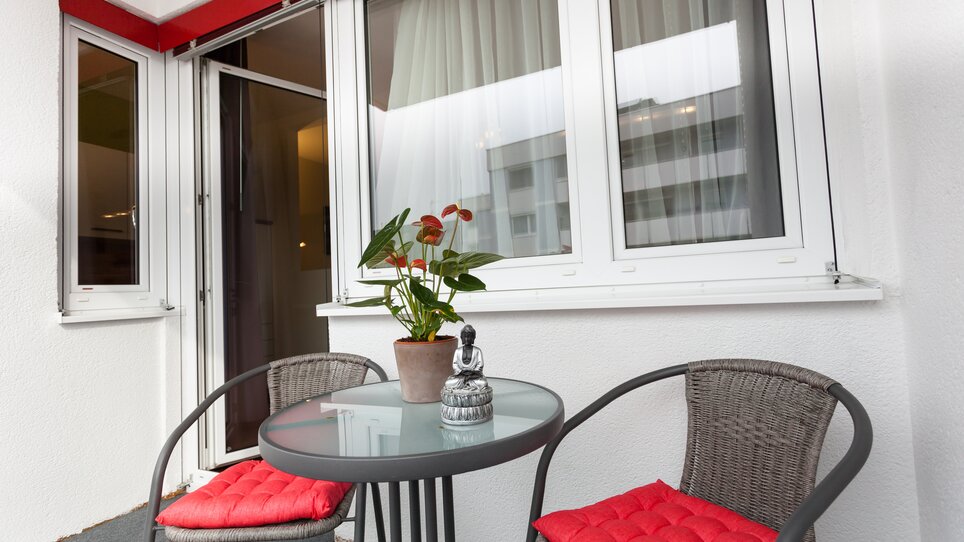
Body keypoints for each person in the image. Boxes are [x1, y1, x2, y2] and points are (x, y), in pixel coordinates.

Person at [444, 325, 489, 391]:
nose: (467, 339)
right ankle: (467, 385)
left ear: (473, 338)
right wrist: (461, 372)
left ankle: (466, 385)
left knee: (483, 383)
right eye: (465, 337)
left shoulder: (477, 351)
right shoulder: (458, 351)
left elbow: (480, 365)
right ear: (461, 338)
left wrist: (472, 372)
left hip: (473, 377)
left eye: (469, 337)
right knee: (448, 383)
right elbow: (455, 365)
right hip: (460, 376)